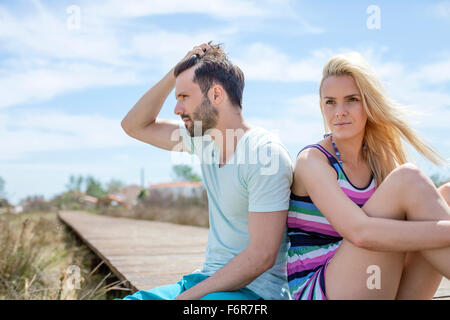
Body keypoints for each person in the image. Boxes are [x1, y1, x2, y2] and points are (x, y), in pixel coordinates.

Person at [119, 43, 293, 300]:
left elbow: (261, 257)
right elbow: (134, 125)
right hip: (205, 281)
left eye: (184, 98)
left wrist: (186, 299)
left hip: (254, 293)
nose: (177, 110)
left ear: (216, 95)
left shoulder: (264, 154)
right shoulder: (204, 140)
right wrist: (175, 73)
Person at [287, 52, 450, 300]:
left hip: (372, 282)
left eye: (351, 100)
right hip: (319, 290)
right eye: (330, 102)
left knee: (446, 195)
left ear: (368, 104)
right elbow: (361, 234)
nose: (339, 111)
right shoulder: (313, 161)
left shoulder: (378, 158)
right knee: (409, 179)